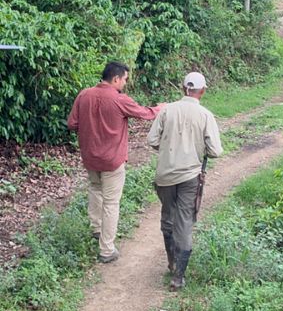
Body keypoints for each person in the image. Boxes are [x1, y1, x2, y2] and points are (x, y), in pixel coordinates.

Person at [67, 61, 165, 263]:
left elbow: (72, 124)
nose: (125, 83)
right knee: (111, 203)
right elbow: (145, 114)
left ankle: (96, 229)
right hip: (112, 160)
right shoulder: (119, 99)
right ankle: (106, 249)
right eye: (125, 79)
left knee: (95, 190)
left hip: (90, 157)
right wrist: (160, 108)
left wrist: (90, 129)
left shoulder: (84, 95)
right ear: (116, 79)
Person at [147, 71, 223, 290]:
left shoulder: (167, 110)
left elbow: (152, 139)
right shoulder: (205, 115)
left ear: (183, 88)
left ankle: (171, 263)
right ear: (203, 91)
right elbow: (215, 150)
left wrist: (168, 151)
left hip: (165, 175)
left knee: (167, 217)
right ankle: (178, 277)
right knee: (185, 222)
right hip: (190, 177)